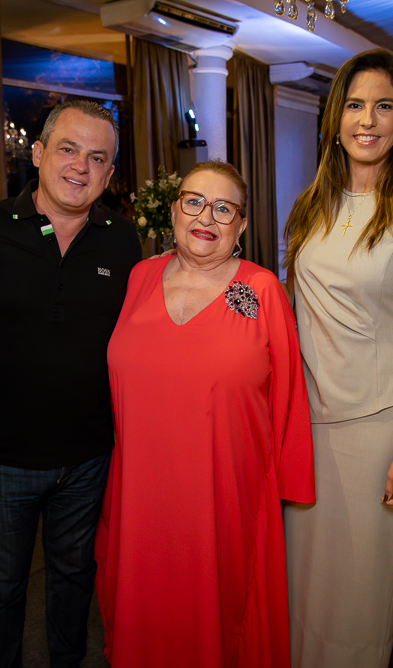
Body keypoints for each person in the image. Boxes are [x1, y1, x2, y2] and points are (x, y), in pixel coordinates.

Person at [95, 160, 314, 667]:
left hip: (223, 495)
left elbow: (288, 392)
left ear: (240, 225)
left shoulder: (256, 292)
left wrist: (292, 484)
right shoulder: (140, 278)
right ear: (173, 210)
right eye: (194, 201)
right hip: (141, 492)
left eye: (223, 208)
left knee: (220, 615)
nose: (206, 218)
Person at [0, 100, 141, 667]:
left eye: (97, 157)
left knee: (74, 579)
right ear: (38, 154)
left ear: (109, 174)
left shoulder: (123, 242)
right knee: (0, 589)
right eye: (68, 148)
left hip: (88, 456)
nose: (80, 165)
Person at [281, 49, 393, 667]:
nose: (368, 120)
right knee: (301, 591)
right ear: (335, 116)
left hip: (381, 428)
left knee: (359, 602)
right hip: (305, 427)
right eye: (355, 105)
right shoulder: (309, 205)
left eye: (385, 106)